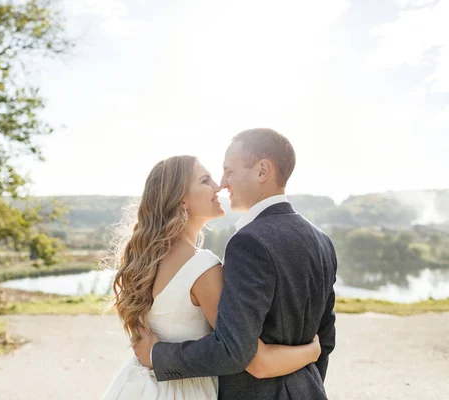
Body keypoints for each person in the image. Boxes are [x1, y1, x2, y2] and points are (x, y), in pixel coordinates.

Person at [133, 129, 337, 399]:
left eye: (229, 171)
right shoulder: (322, 241)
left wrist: (156, 354)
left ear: (262, 171)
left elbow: (235, 350)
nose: (222, 182)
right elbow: (326, 339)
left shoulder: (248, 242)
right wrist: (306, 383)